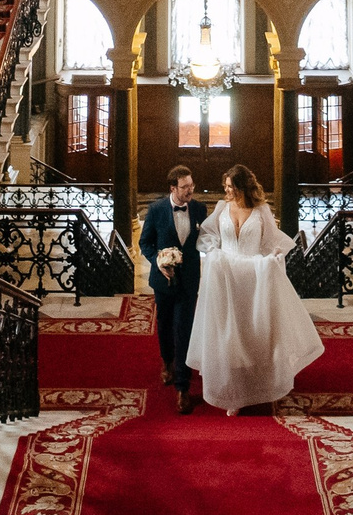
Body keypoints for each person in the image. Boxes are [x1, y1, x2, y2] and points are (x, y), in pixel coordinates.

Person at [184, 163, 324, 413]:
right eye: (225, 187)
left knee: (256, 334)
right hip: (226, 278)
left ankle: (265, 387)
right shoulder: (222, 208)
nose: (226, 191)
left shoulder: (261, 211)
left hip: (253, 280)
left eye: (230, 187)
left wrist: (274, 258)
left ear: (242, 187)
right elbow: (207, 236)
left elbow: (271, 242)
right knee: (229, 334)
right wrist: (213, 253)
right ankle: (233, 394)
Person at [138, 165, 206, 415]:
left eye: (192, 185)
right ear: (173, 188)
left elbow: (206, 239)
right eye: (185, 187)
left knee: (184, 331)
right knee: (165, 325)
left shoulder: (199, 209)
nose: (190, 190)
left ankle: (182, 388)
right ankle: (166, 361)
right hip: (163, 282)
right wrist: (158, 260)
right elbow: (145, 242)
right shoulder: (156, 210)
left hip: (189, 282)